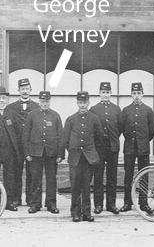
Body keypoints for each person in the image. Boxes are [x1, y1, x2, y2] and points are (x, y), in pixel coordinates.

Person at [63, 91, 103, 222]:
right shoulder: (71, 119)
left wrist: (91, 151)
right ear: (77, 103)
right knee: (75, 186)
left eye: (85, 102)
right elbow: (65, 139)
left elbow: (99, 137)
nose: (82, 105)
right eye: (80, 103)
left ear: (88, 103)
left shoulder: (94, 118)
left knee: (86, 186)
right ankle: (75, 213)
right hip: (75, 158)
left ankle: (86, 213)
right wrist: (72, 149)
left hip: (88, 158)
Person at [22, 91, 63, 214]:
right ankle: (35, 204)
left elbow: (61, 136)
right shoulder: (32, 115)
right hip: (35, 152)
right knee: (35, 178)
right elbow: (25, 135)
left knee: (51, 179)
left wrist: (60, 154)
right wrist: (27, 153)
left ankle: (51, 204)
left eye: (46, 101)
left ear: (49, 102)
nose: (44, 104)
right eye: (42, 101)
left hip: (51, 153)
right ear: (39, 102)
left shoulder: (55, 116)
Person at [119, 82, 154, 214]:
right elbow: (122, 129)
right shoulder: (126, 110)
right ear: (131, 95)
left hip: (143, 148)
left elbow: (151, 132)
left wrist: (143, 141)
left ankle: (143, 203)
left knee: (144, 175)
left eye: (139, 93)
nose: (137, 96)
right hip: (129, 148)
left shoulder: (148, 110)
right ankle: (127, 202)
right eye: (134, 94)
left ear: (143, 94)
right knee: (128, 176)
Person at [5, 78, 39, 207]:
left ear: (31, 90)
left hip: (32, 145)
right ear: (18, 90)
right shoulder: (11, 108)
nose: (25, 91)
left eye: (27, 88)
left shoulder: (36, 107)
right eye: (22, 89)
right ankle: (15, 198)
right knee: (15, 172)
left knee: (32, 172)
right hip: (16, 146)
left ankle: (31, 199)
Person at [89, 82, 122, 214]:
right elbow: (92, 129)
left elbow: (120, 128)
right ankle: (98, 205)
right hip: (99, 148)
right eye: (103, 92)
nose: (105, 95)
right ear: (99, 93)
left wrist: (113, 139)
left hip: (113, 147)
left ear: (111, 93)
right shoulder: (94, 109)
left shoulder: (116, 109)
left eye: (107, 92)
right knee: (98, 177)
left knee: (112, 177)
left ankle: (111, 204)